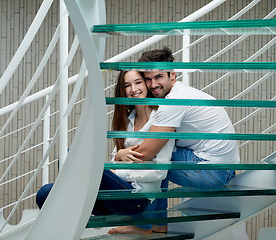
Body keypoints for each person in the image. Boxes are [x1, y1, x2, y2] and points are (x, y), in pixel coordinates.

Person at [110, 46, 240, 234]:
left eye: (158, 77)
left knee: (157, 157)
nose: (153, 84)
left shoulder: (174, 101)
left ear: (172, 74)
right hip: (219, 166)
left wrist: (117, 163)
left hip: (212, 171)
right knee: (160, 152)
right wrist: (121, 153)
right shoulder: (178, 95)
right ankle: (155, 221)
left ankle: (145, 223)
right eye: (148, 78)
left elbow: (145, 153)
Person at [35, 70, 175, 234]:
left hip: (136, 199)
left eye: (138, 82)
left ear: (146, 84)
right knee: (45, 193)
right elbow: (114, 162)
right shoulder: (127, 120)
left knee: (74, 160)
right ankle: (75, 210)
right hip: (113, 195)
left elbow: (160, 173)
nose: (133, 89)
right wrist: (118, 155)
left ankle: (78, 205)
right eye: (127, 85)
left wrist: (118, 171)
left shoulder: (162, 119)